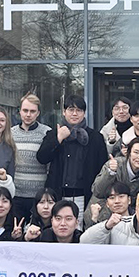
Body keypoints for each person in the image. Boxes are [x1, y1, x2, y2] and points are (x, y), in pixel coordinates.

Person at [37, 95, 108, 226]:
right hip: (59, 194)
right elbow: (42, 158)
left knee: (82, 230)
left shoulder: (95, 137)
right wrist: (58, 139)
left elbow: (101, 167)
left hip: (85, 196)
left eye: (79, 110)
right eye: (71, 109)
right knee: (60, 229)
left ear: (84, 113)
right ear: (64, 112)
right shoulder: (54, 133)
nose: (75, 114)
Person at [87, 136, 139, 227]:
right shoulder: (115, 164)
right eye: (136, 152)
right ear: (128, 154)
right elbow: (97, 191)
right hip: (100, 217)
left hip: (124, 222)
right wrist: (111, 172)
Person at [10, 94, 52, 217]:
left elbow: (50, 165)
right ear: (20, 111)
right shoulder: (11, 133)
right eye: (25, 110)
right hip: (16, 194)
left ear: (38, 113)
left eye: (32, 111)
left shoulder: (47, 132)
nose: (28, 115)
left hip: (39, 196)